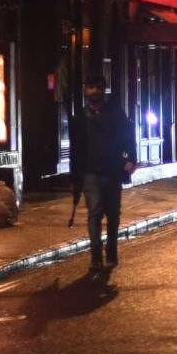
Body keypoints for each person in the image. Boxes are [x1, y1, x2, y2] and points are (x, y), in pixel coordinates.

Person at [69, 78, 133, 270]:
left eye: (97, 87)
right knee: (94, 213)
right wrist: (75, 178)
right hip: (90, 173)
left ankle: (111, 253)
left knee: (113, 216)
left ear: (103, 90)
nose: (94, 91)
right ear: (85, 90)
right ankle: (96, 256)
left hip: (112, 170)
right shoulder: (80, 117)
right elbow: (75, 149)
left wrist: (131, 158)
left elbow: (127, 136)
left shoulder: (115, 113)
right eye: (90, 87)